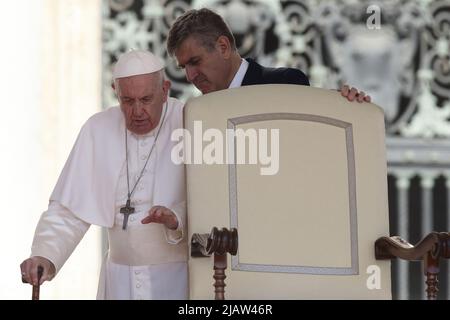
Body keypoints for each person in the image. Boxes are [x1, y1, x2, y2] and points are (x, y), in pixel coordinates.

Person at [20, 50, 188, 300]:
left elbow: (214, 198)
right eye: (128, 101)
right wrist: (45, 253)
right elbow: (70, 208)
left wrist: (178, 216)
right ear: (115, 92)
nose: (137, 111)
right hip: (118, 280)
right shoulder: (97, 129)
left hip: (176, 279)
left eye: (146, 99)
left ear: (165, 90)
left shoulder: (190, 121)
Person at [167, 8, 370, 102]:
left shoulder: (286, 83)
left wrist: (349, 107)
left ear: (223, 47)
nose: (190, 76)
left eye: (195, 61)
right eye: (184, 67)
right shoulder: (195, 113)